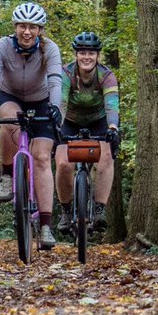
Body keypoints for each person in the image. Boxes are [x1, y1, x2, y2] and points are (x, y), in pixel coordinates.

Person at [0, 2, 63, 250]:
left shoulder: (50, 49)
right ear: (15, 27)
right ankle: (7, 175)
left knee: (40, 158)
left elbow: (56, 81)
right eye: (22, 26)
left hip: (42, 99)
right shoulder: (1, 47)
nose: (27, 32)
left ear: (40, 30)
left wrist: (56, 107)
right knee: (11, 120)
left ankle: (46, 225)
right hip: (9, 95)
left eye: (33, 27)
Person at [55, 31, 120, 237]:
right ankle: (65, 211)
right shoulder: (66, 73)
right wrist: (56, 126)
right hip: (69, 122)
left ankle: (100, 209)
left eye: (91, 53)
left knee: (107, 156)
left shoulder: (106, 76)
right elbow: (61, 103)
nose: (86, 57)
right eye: (82, 52)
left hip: (98, 122)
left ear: (97, 55)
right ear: (76, 54)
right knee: (64, 163)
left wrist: (112, 128)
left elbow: (112, 106)